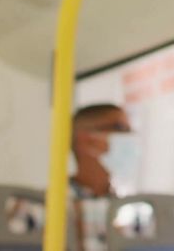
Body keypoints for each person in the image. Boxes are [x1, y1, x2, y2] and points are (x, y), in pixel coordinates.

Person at [70, 103, 139, 251]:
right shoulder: (43, 207)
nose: (131, 136)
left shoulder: (129, 208)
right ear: (86, 140)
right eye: (120, 128)